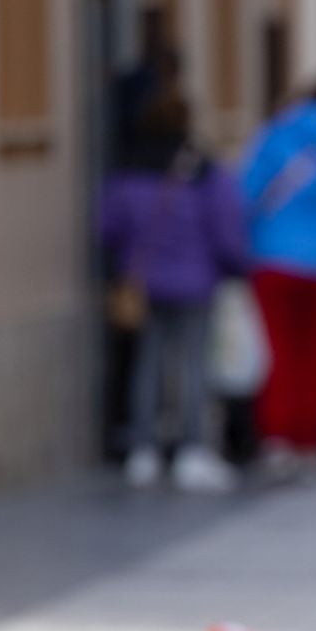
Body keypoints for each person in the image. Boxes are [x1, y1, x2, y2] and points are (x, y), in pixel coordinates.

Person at [99, 89, 247, 492]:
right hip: (196, 281)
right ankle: (191, 449)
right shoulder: (201, 172)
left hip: (145, 282)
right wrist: (236, 267)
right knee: (193, 365)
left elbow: (108, 227)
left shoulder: (128, 173)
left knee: (147, 364)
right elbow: (226, 229)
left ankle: (144, 449)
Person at [239, 82, 316, 473]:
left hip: (273, 259)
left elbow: (246, 195)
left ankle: (277, 437)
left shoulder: (274, 138)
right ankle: (309, 440)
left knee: (278, 352)